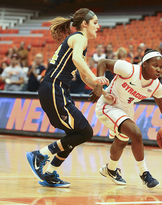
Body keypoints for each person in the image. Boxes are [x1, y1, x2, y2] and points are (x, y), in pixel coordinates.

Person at [25, 8, 113, 188]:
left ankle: (49, 173)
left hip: (57, 90)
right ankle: (39, 155)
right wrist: (95, 77)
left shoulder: (81, 42)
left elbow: (83, 75)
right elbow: (78, 61)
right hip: (54, 88)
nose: (98, 26)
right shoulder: (79, 37)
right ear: (84, 24)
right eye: (95, 23)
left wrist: (102, 91)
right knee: (85, 132)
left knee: (75, 135)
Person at [89, 48, 162, 189]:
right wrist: (99, 85)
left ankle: (110, 169)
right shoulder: (129, 69)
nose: (159, 70)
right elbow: (103, 62)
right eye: (155, 65)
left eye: (161, 67)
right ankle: (144, 173)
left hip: (126, 110)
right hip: (109, 105)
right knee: (136, 134)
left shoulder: (156, 86)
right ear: (144, 64)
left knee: (120, 142)